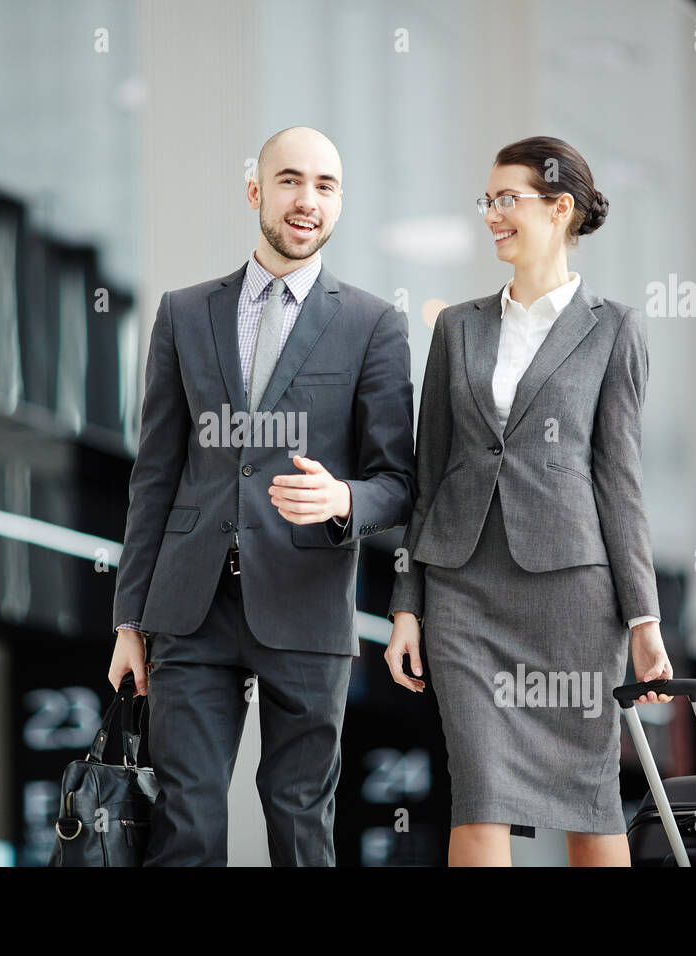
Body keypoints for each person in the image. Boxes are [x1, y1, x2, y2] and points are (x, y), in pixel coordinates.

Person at [109, 125, 416, 866]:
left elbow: (399, 484)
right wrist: (129, 618)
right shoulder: (185, 314)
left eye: (325, 185)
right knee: (184, 820)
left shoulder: (374, 324)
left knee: (300, 821)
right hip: (190, 606)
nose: (307, 200)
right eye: (290, 180)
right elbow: (155, 472)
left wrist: (343, 497)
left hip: (308, 605)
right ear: (255, 191)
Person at [384, 135, 673, 867]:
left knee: (591, 803)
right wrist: (405, 604)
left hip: (573, 598)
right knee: (479, 795)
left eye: (506, 199)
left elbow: (620, 480)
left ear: (559, 208)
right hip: (463, 594)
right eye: (488, 201)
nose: (492, 215)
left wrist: (644, 620)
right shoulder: (457, 325)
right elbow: (431, 472)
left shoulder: (614, 329)